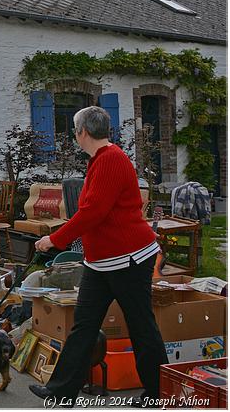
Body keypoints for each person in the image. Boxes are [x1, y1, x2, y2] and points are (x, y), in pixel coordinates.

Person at [30, 106, 166, 407]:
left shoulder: (110, 160)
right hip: (102, 260)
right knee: (84, 324)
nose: (75, 137)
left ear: (82, 132)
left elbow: (92, 212)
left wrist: (55, 239)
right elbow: (93, 212)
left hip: (129, 258)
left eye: (75, 132)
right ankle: (61, 390)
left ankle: (158, 393)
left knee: (141, 325)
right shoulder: (100, 159)